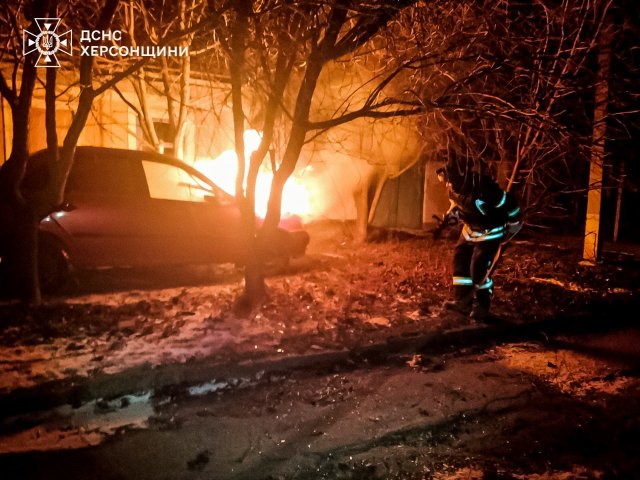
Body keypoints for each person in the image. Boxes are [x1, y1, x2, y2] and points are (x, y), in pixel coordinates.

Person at [436, 160, 522, 321]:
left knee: (478, 267)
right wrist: (450, 218)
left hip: (490, 230)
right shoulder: (453, 188)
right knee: (460, 260)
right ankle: (462, 302)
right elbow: (457, 205)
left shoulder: (484, 189)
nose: (448, 185)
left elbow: (509, 202)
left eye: (450, 181)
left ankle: (482, 306)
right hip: (469, 229)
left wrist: (515, 224)